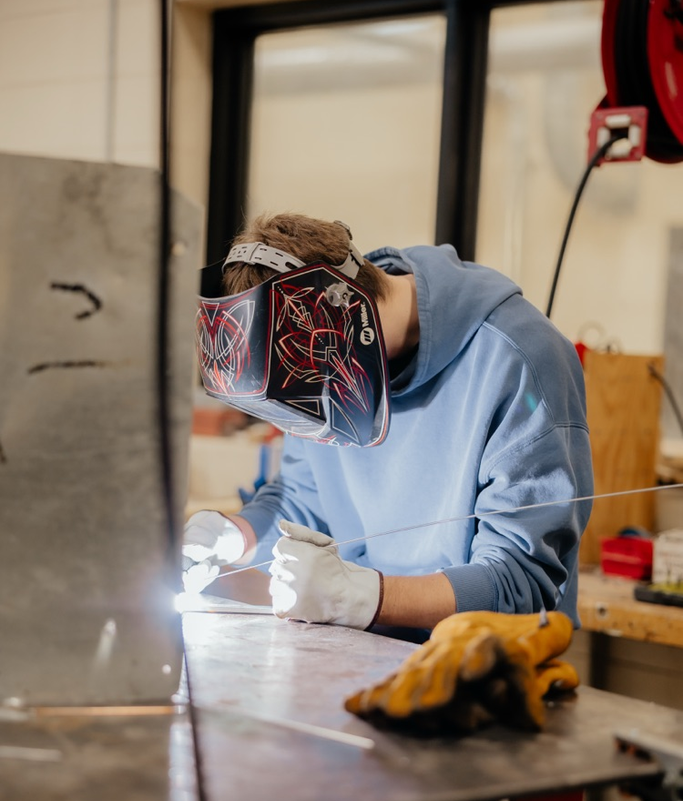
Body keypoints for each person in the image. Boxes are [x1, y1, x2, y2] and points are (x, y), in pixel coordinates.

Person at [183, 213, 593, 635]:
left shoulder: (518, 357)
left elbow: (519, 583)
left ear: (344, 319)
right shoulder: (314, 365)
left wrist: (359, 597)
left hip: (478, 659)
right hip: (360, 653)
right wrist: (234, 536)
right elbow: (306, 498)